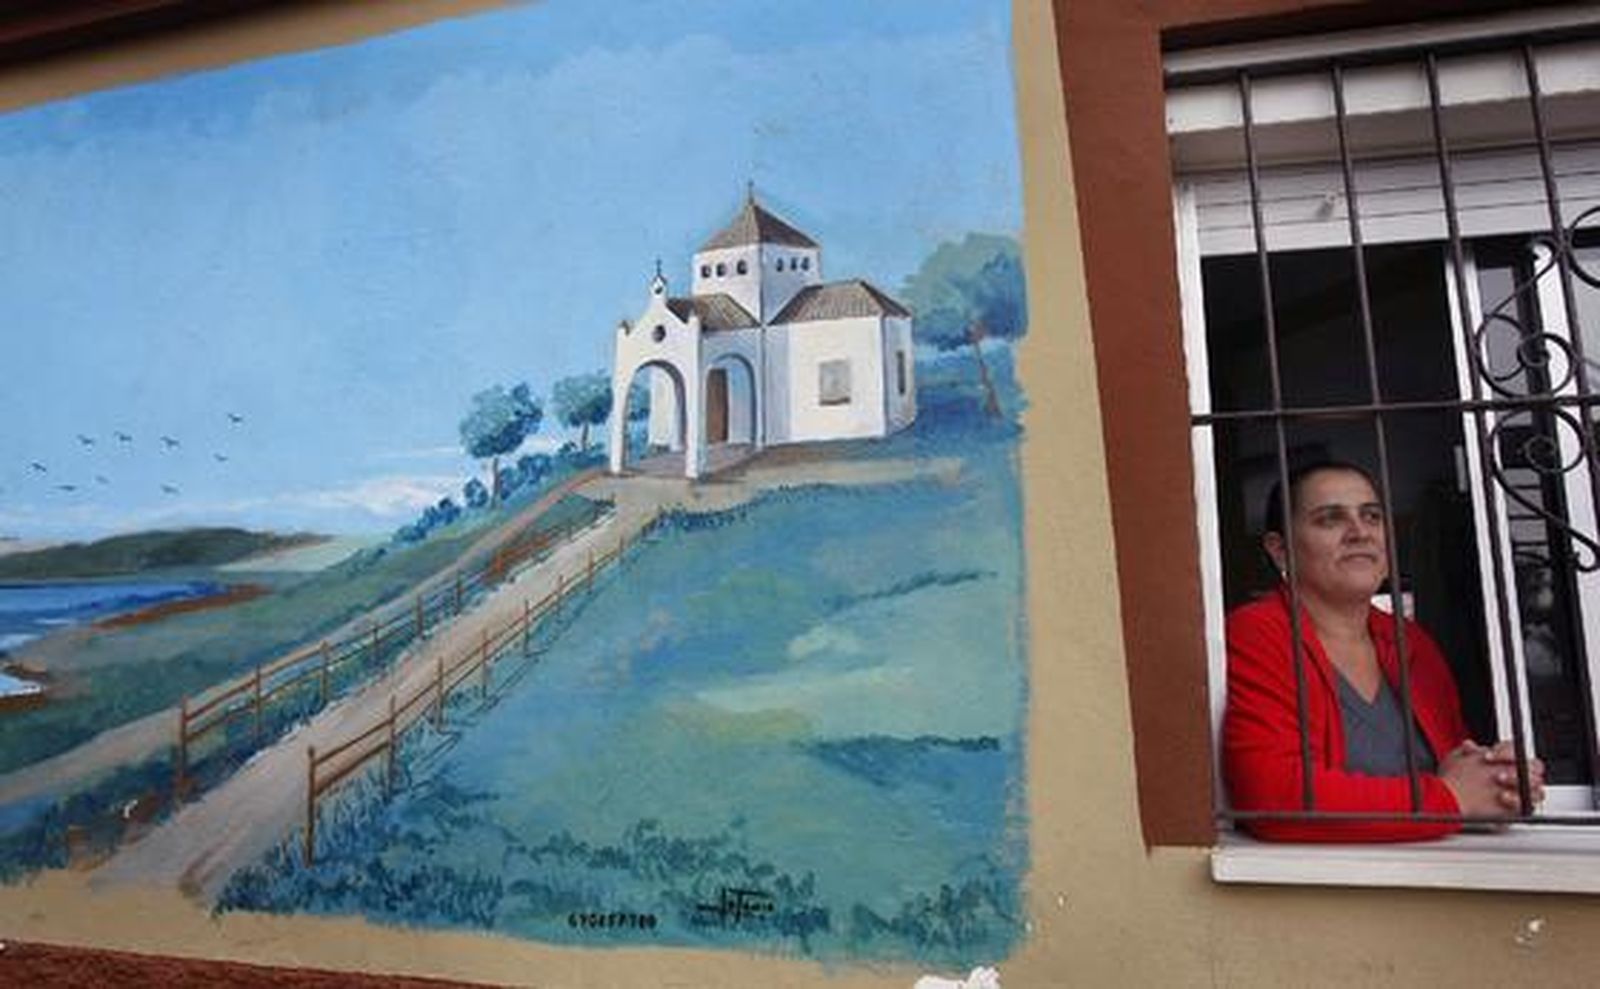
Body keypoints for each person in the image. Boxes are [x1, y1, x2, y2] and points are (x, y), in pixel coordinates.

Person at [1223, 461, 1545, 842]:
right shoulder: (1258, 632)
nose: (1359, 532)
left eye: (1372, 516)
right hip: (1323, 890)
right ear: (1280, 551)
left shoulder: (1411, 642)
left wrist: (1498, 780)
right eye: (1330, 519)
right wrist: (1451, 799)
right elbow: (1275, 797)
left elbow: (1455, 769)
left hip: (1440, 879)